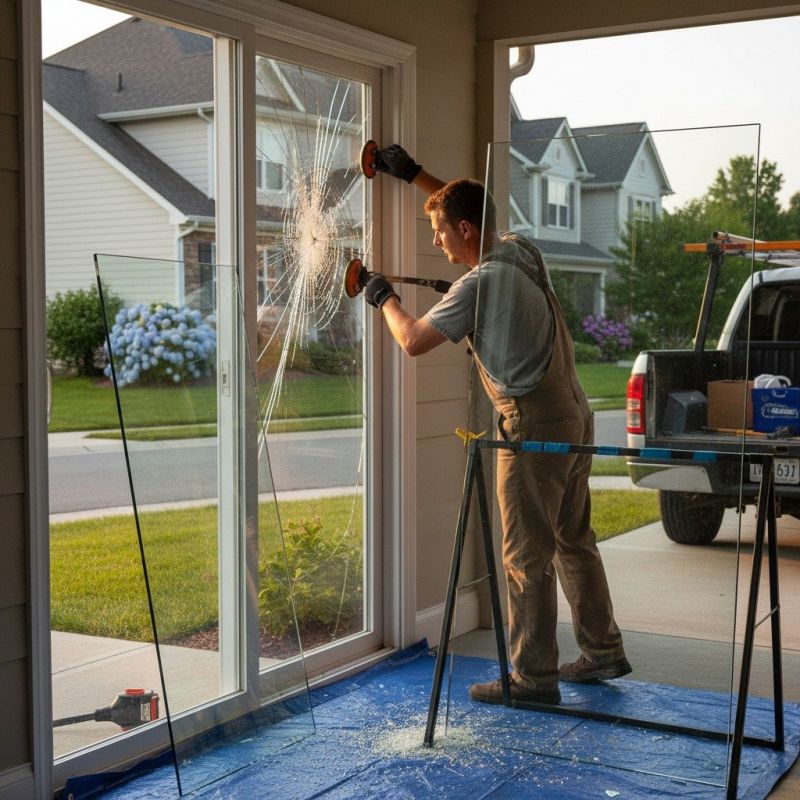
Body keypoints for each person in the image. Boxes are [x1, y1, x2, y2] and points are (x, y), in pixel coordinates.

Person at [364, 144, 631, 706]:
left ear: (463, 229)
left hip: (531, 422)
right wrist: (414, 174)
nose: (434, 241)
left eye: (438, 231)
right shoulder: (521, 252)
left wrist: (382, 295)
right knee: (572, 539)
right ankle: (603, 652)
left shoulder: (477, 284)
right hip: (575, 412)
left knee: (524, 555)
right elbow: (475, 211)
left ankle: (534, 680)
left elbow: (412, 340)